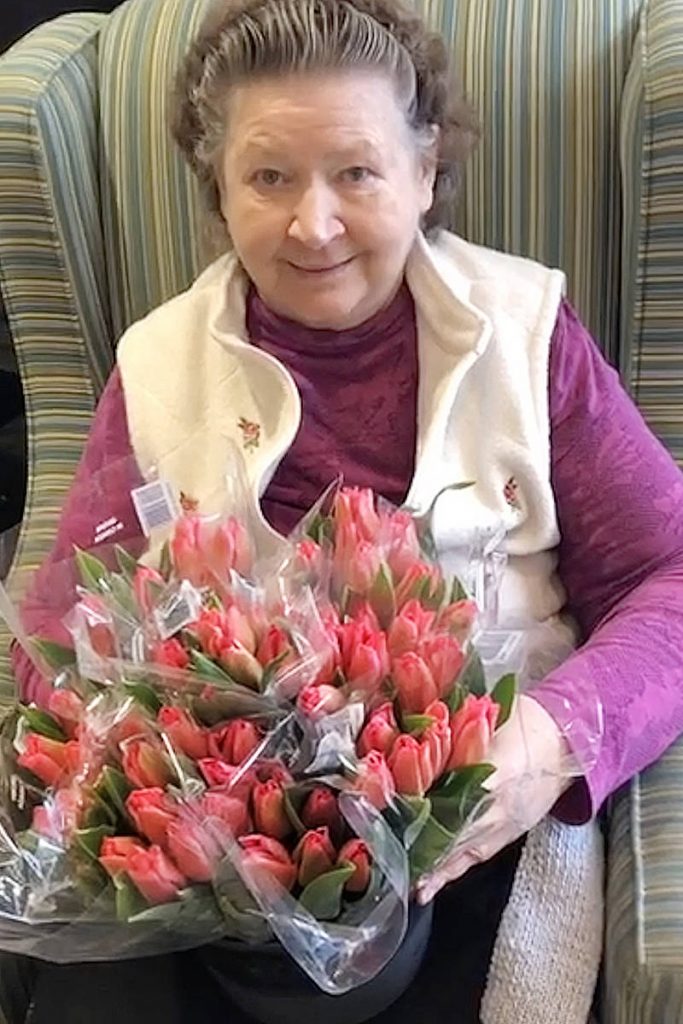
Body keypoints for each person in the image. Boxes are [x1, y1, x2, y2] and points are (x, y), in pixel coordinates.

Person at [5, 0, 683, 1021]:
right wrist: (150, 775)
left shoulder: (523, 335)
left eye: (355, 173)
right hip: (203, 839)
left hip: (471, 824)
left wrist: (549, 743)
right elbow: (60, 629)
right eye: (268, 177)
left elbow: (666, 577)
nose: (310, 223)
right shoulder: (157, 363)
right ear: (220, 191)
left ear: (423, 175)